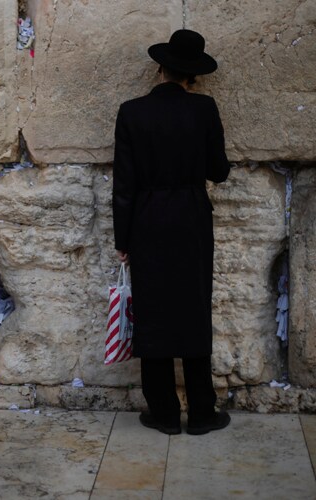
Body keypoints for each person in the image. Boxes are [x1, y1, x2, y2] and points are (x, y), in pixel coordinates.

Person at [112, 29, 231, 435]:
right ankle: (201, 412)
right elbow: (219, 170)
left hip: (146, 220)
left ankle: (162, 412)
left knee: (154, 311)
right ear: (192, 75)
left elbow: (124, 186)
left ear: (160, 68)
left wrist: (122, 241)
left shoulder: (131, 112)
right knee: (194, 309)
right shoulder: (205, 110)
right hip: (192, 218)